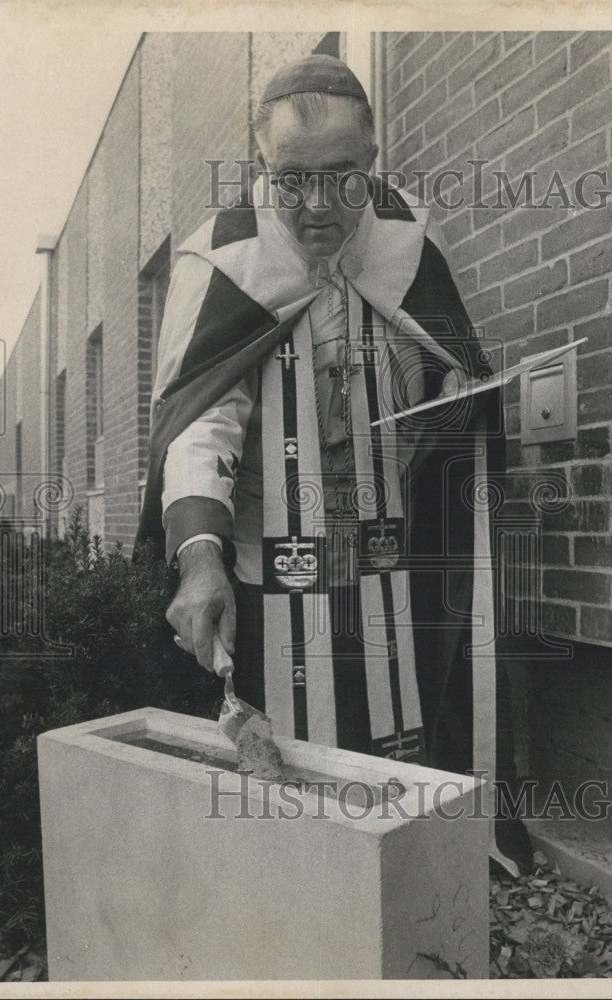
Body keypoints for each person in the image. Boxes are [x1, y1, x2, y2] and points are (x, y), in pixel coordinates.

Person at [136, 54, 532, 874]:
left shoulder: (408, 241)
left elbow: (450, 379)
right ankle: (287, 894)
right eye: (292, 180)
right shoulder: (220, 262)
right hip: (267, 561)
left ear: (374, 158)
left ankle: (413, 880)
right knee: (284, 759)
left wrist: (461, 395)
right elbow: (200, 422)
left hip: (391, 557)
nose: (318, 207)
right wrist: (200, 559)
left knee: (401, 722)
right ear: (259, 165)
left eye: (344, 178)